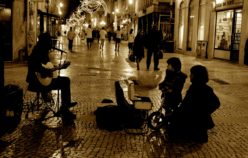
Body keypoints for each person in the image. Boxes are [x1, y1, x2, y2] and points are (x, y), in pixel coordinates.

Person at [26, 32, 77, 120]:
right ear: (45, 42)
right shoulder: (39, 53)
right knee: (65, 81)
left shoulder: (39, 50)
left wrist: (54, 69)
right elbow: (41, 70)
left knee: (64, 80)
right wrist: (54, 70)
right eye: (49, 42)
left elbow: (46, 67)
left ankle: (65, 106)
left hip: (36, 80)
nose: (51, 44)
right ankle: (65, 109)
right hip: (37, 82)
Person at [167, 65, 220, 143]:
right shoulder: (206, 88)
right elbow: (216, 103)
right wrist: (205, 112)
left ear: (196, 76)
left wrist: (203, 112)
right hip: (198, 121)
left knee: (172, 126)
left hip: (192, 119)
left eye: (191, 74)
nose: (190, 76)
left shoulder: (194, 88)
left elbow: (185, 105)